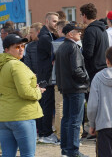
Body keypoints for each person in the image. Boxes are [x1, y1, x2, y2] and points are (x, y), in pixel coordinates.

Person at [0, 34, 45, 156]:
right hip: (22, 115)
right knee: (28, 155)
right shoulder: (16, 65)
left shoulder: (2, 65)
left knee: (7, 154)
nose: (21, 49)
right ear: (7, 50)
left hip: (4, 117)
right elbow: (25, 92)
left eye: (22, 46)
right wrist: (38, 91)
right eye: (16, 47)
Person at [55, 23, 89, 157]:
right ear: (70, 34)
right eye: (77, 32)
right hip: (76, 88)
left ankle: (66, 149)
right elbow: (77, 70)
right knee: (75, 120)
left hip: (67, 87)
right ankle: (73, 150)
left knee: (67, 119)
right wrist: (86, 78)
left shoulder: (62, 47)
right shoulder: (73, 48)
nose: (80, 34)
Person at [37, 12, 60, 144]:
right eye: (54, 21)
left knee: (46, 104)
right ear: (47, 22)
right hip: (46, 76)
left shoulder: (48, 35)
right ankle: (46, 133)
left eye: (57, 21)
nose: (56, 24)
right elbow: (54, 54)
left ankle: (45, 132)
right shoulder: (45, 37)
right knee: (47, 104)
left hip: (47, 74)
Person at [80, 3, 109, 83]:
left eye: (81, 15)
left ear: (84, 15)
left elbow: (88, 53)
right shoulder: (102, 29)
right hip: (103, 67)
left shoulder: (90, 30)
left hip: (94, 71)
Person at [51, 20, 68, 138]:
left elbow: (52, 62)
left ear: (61, 30)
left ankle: (60, 134)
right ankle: (77, 133)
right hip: (72, 80)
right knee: (73, 107)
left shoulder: (55, 44)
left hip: (58, 78)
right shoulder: (76, 43)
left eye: (57, 30)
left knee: (59, 106)